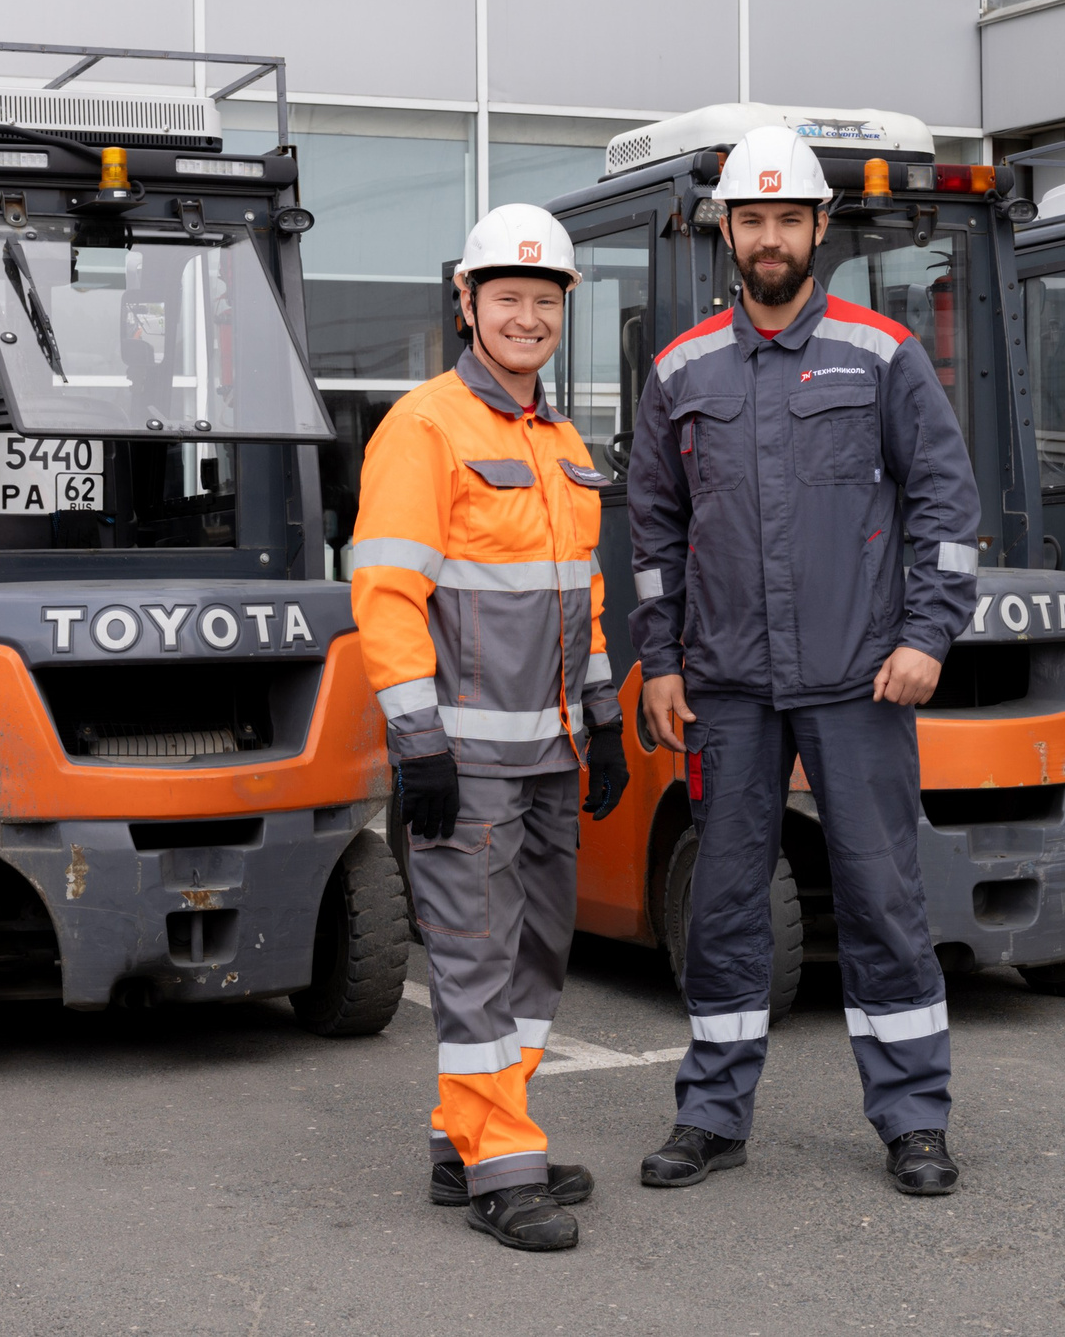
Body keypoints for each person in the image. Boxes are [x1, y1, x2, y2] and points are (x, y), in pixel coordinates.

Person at [625, 126, 981, 1198]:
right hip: (728, 685)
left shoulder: (880, 352)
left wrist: (927, 634)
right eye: (752, 219)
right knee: (725, 901)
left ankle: (913, 1119)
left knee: (881, 898)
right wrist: (659, 660)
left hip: (858, 679)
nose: (769, 237)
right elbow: (649, 530)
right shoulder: (681, 370)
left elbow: (945, 504)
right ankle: (712, 1112)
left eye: (788, 218)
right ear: (724, 231)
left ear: (819, 228)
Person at [347, 204, 631, 1252]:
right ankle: (502, 1164)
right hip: (463, 756)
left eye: (543, 300)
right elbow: (384, 593)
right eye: (506, 297)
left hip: (552, 750)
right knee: (472, 954)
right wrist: (416, 742)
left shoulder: (562, 442)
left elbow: (582, 600)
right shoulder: (423, 426)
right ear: (465, 303)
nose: (526, 316)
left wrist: (600, 719)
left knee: (534, 952)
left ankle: (462, 1131)